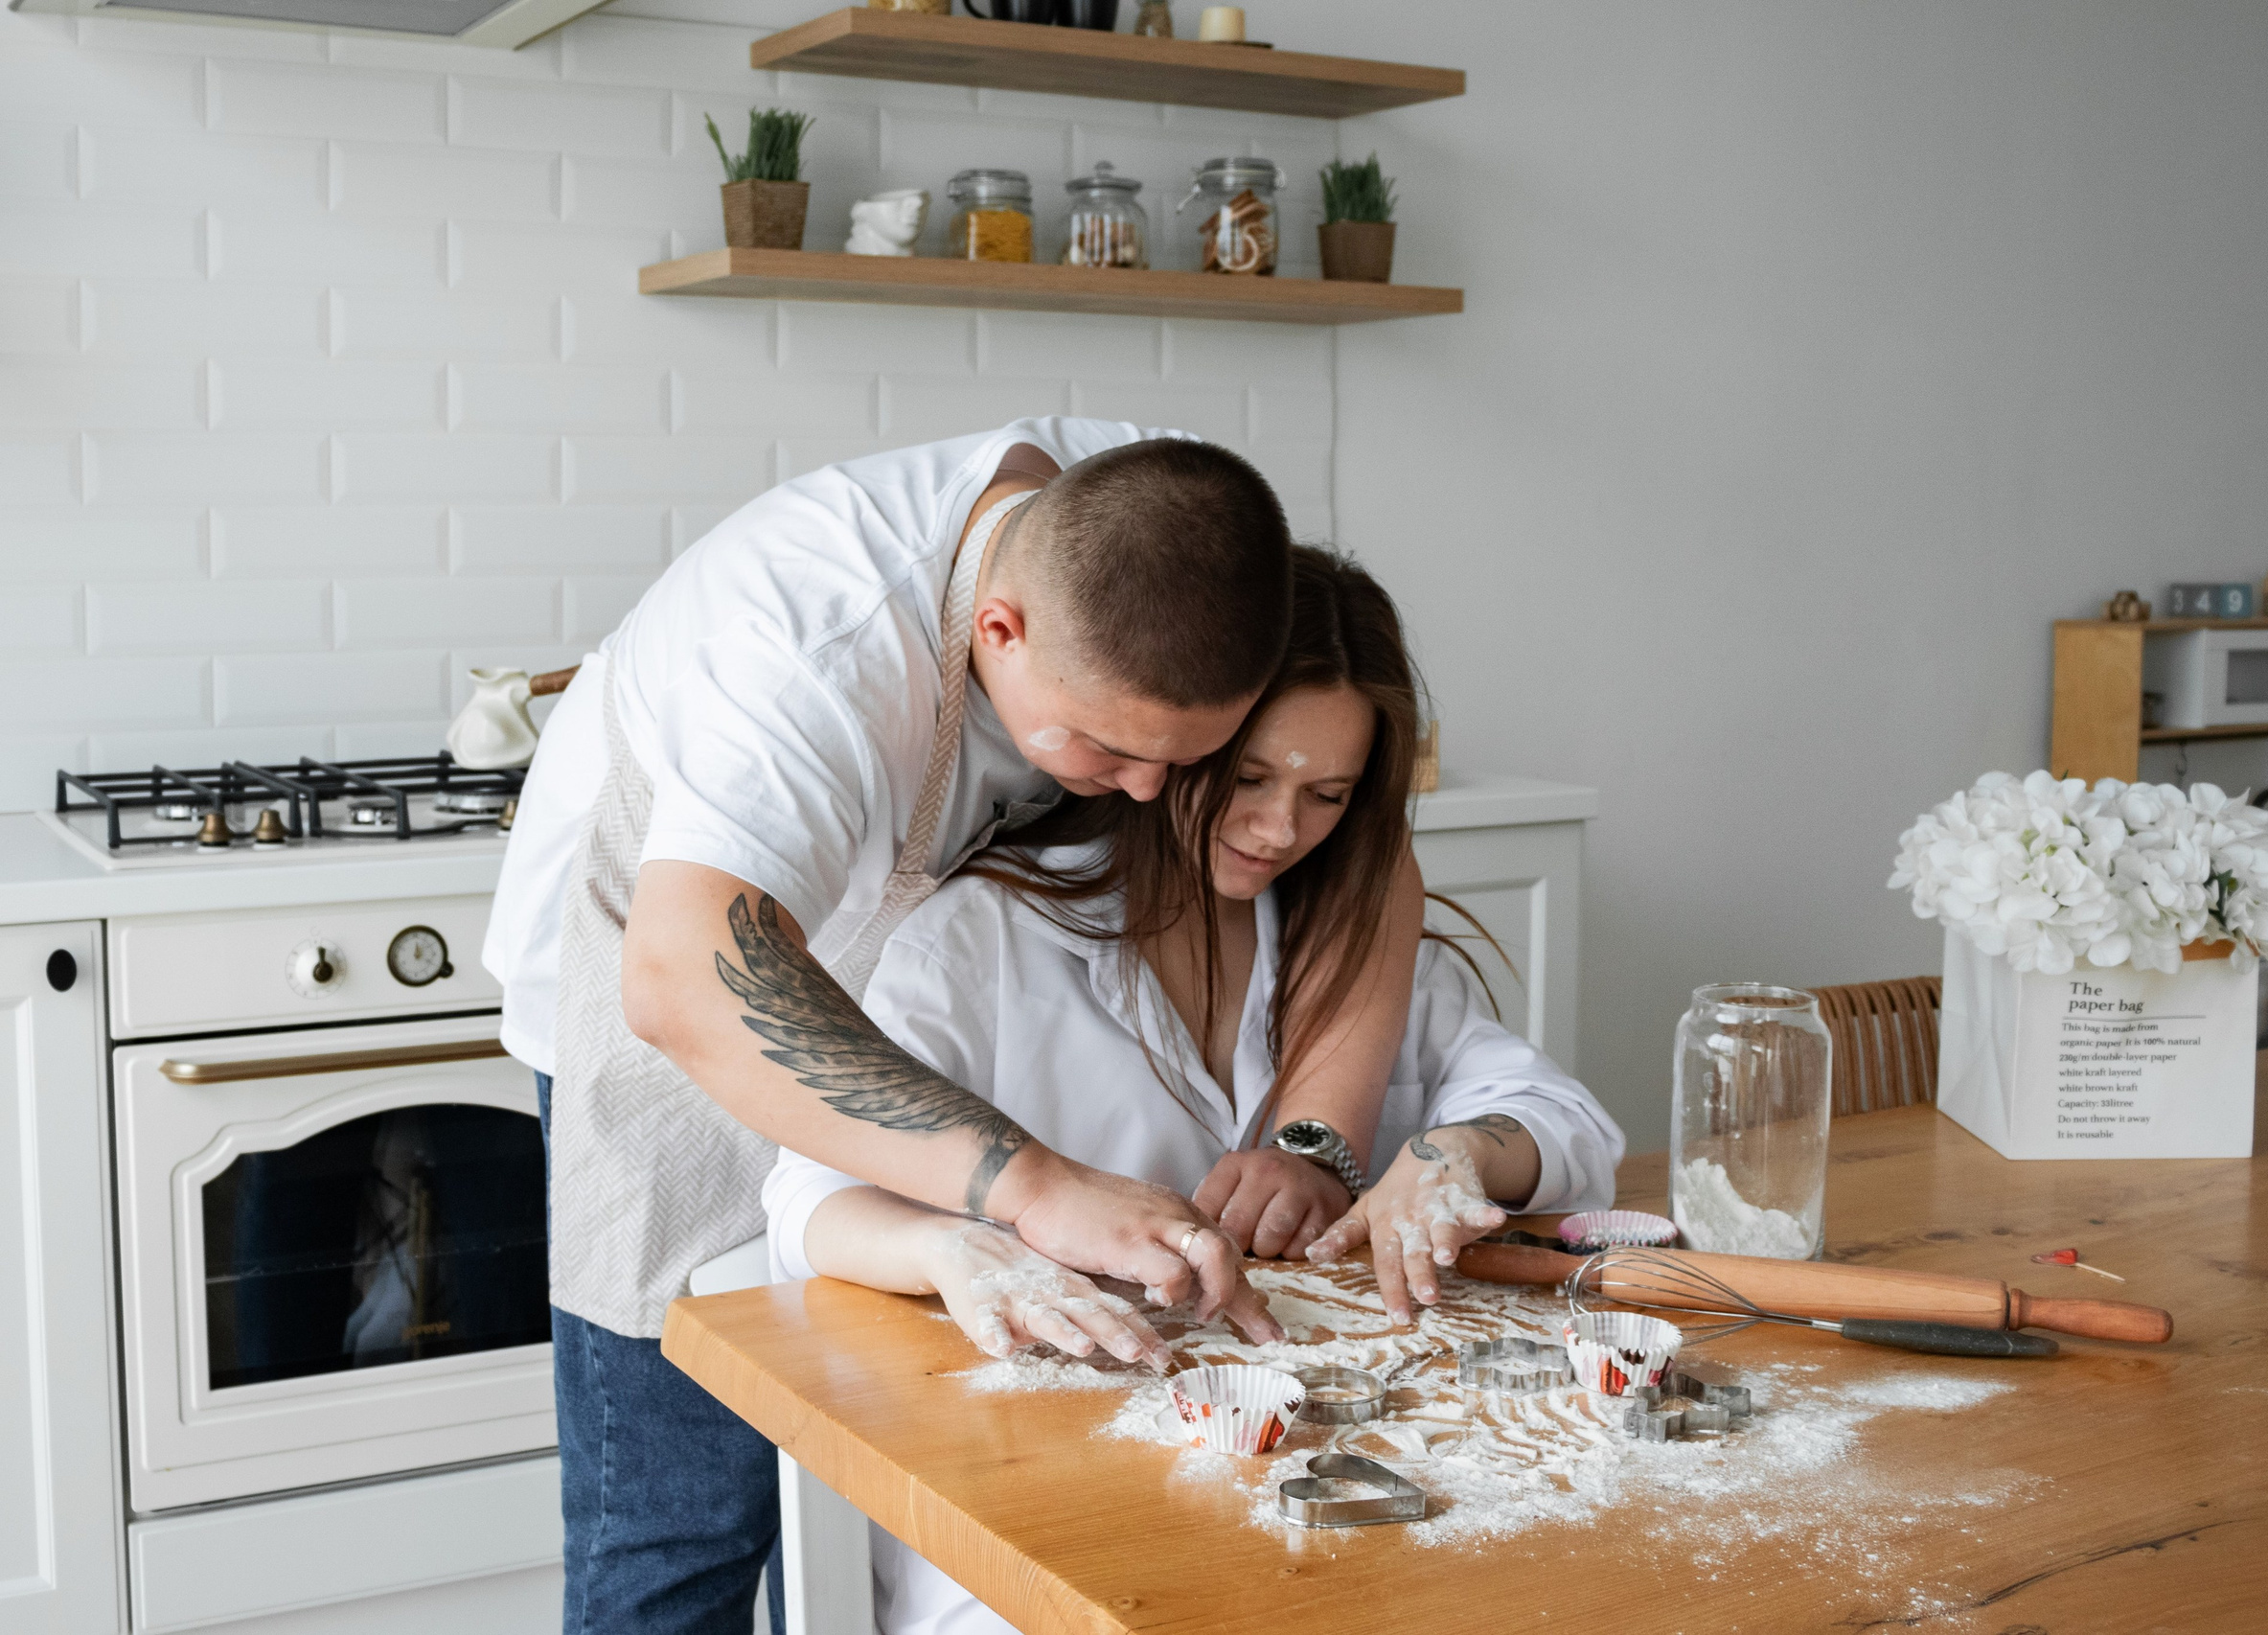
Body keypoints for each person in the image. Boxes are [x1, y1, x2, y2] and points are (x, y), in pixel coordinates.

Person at [480, 423, 1426, 1632]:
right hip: (667, 993)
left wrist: (1316, 1137)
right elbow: (680, 980)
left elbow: (1371, 853)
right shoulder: (809, 647)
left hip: (869, 956)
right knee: (690, 1510)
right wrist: (1031, 1183)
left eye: (1187, 761)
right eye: (1110, 750)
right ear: (999, 628)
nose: (1148, 793)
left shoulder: (1178, 536)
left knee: (858, 1477)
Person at [765, 546, 1624, 1635]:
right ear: (1171, 742)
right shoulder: (979, 942)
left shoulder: (1351, 939)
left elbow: (1571, 1127)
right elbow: (807, 1199)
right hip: (1042, 1503)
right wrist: (959, 1248)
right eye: (1251, 779)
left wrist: (1455, 1155)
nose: (1280, 829)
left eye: (1327, 794)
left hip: (1325, 1485)